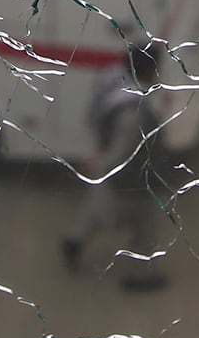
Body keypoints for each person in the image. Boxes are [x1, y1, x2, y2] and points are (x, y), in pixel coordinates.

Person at [60, 40, 171, 291]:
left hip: (113, 170)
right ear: (147, 70)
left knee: (96, 210)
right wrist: (102, 165)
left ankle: (74, 241)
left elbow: (94, 114)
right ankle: (139, 276)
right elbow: (123, 150)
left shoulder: (111, 79)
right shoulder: (135, 109)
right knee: (146, 230)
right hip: (133, 179)